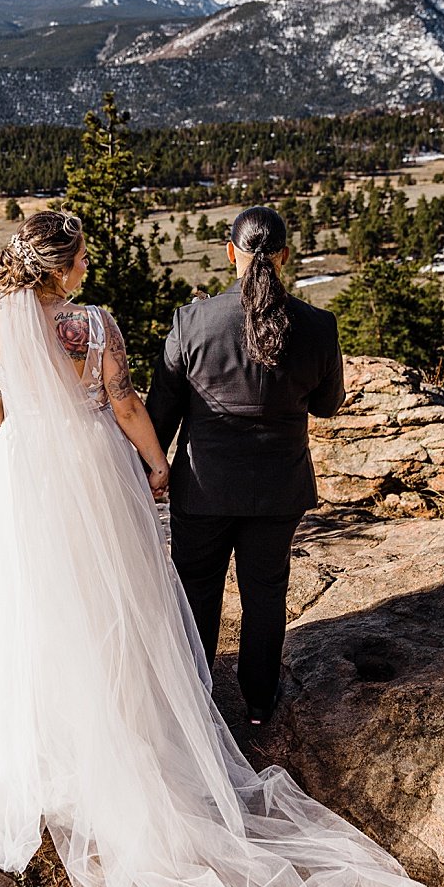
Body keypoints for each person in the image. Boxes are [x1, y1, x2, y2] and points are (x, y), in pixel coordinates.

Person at [0, 209, 444, 887]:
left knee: (41, 601)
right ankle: (220, 709)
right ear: (61, 268)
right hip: (139, 475)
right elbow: (131, 402)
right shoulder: (101, 325)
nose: (92, 263)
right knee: (142, 601)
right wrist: (148, 461)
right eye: (85, 254)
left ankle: (85, 717)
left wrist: (56, 420)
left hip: (33, 476)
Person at [145, 205, 343, 725]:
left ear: (230, 252)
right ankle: (258, 702)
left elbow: (160, 411)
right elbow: (326, 404)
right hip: (280, 488)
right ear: (282, 256)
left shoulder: (192, 323)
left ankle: (194, 701)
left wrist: (151, 468)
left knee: (196, 593)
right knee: (265, 592)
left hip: (204, 487)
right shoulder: (319, 327)